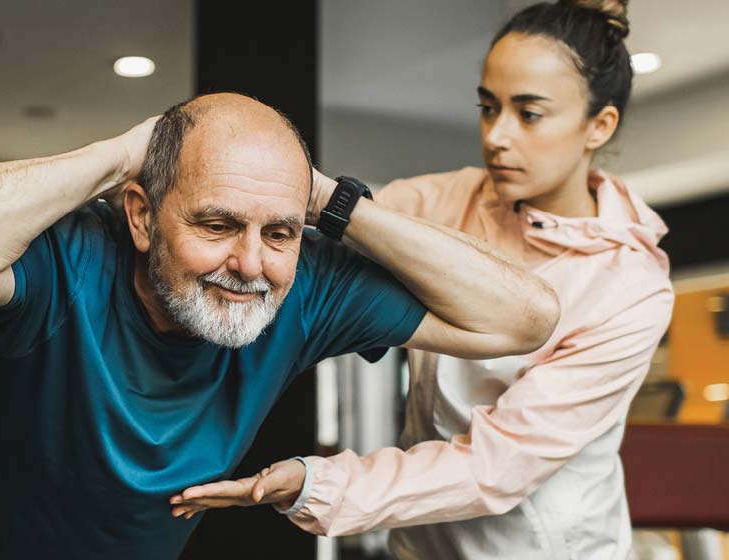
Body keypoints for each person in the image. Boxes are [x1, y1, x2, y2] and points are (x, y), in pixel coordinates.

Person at [0, 93, 558, 559]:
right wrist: (128, 152)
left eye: (279, 231)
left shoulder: (307, 286)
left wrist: (328, 198)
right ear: (143, 217)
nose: (249, 263)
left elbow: (525, 318)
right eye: (216, 224)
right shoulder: (74, 253)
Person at [172, 2, 674, 559]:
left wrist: (321, 485)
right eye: (488, 108)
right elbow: (306, 256)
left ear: (598, 125)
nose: (497, 136)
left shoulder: (631, 288)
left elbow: (498, 464)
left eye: (528, 114)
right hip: (423, 548)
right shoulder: (440, 202)